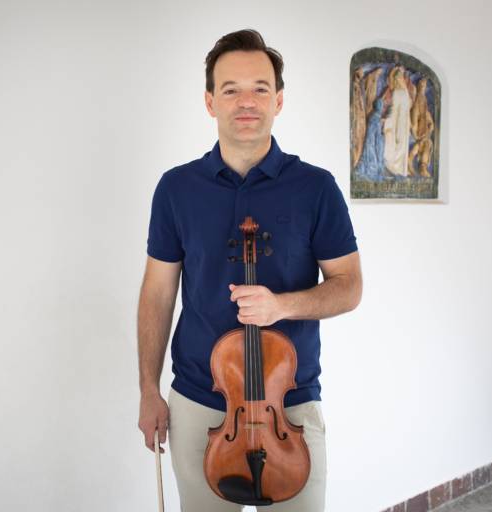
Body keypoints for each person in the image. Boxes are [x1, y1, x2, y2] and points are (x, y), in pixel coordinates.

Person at [137, 29, 362, 512]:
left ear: (278, 101)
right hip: (198, 398)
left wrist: (283, 305)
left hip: (290, 403)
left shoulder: (316, 188)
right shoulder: (176, 189)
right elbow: (157, 292)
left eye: (260, 88)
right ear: (209, 100)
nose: (246, 102)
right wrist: (147, 390)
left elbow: (349, 287)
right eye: (230, 89)